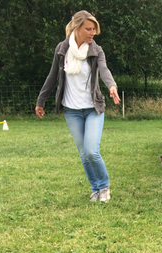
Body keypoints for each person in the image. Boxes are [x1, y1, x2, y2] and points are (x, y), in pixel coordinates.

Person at [35, 10, 120, 202]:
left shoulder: (96, 50)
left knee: (92, 151)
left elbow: (104, 70)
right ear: (76, 27)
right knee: (83, 154)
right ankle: (95, 188)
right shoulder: (62, 49)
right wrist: (41, 101)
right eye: (88, 29)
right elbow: (52, 77)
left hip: (93, 109)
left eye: (94, 30)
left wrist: (112, 86)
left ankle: (104, 186)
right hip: (72, 111)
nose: (92, 33)